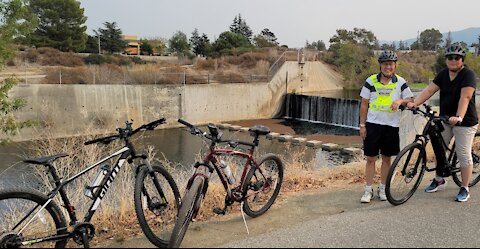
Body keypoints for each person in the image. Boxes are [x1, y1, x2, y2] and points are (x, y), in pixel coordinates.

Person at [407, 43, 478, 202]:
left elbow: (465, 97)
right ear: (446, 60)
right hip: (445, 118)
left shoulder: (468, 75)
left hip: (465, 121)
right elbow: (429, 90)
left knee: (463, 154)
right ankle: (440, 180)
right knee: (439, 148)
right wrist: (415, 103)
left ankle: (465, 187)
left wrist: (459, 116)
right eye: (450, 58)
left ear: (462, 59)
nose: (453, 60)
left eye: (457, 58)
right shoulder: (443, 74)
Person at [359, 50, 414, 203]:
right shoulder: (370, 81)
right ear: (380, 66)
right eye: (385, 64)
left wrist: (400, 102)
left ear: (395, 66)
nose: (388, 67)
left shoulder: (400, 82)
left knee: (386, 159)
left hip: (391, 126)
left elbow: (409, 98)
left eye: (391, 64)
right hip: (373, 125)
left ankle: (383, 188)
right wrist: (362, 125)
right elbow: (364, 104)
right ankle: (368, 189)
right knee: (370, 159)